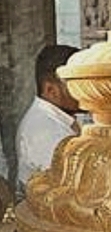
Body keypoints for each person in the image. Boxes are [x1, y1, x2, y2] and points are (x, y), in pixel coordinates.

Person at [17, 44, 82, 195]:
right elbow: (76, 187)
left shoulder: (58, 120)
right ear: (51, 90)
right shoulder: (45, 130)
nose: (85, 91)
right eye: (75, 85)